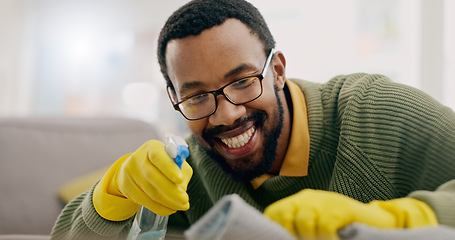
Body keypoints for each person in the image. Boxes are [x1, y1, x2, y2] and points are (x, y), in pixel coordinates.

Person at [51, 0, 455, 239]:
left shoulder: (373, 111)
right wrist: (113, 195)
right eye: (196, 97)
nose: (226, 115)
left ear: (277, 69)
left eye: (243, 82)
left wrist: (398, 219)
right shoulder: (186, 171)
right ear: (175, 99)